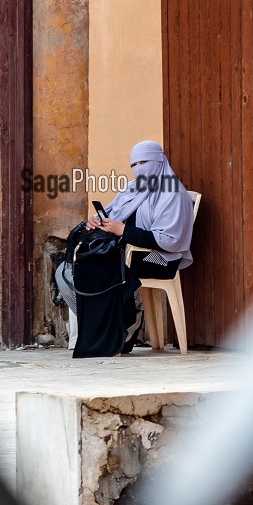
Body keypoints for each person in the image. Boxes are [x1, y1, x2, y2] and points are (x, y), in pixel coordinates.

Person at [55, 141, 194, 357]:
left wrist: (123, 230)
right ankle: (111, 327)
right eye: (134, 164)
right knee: (66, 271)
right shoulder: (133, 189)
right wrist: (98, 222)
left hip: (161, 258)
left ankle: (123, 325)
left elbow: (169, 240)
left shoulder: (172, 193)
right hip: (127, 252)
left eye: (144, 162)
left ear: (159, 161)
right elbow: (112, 215)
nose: (139, 168)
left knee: (99, 269)